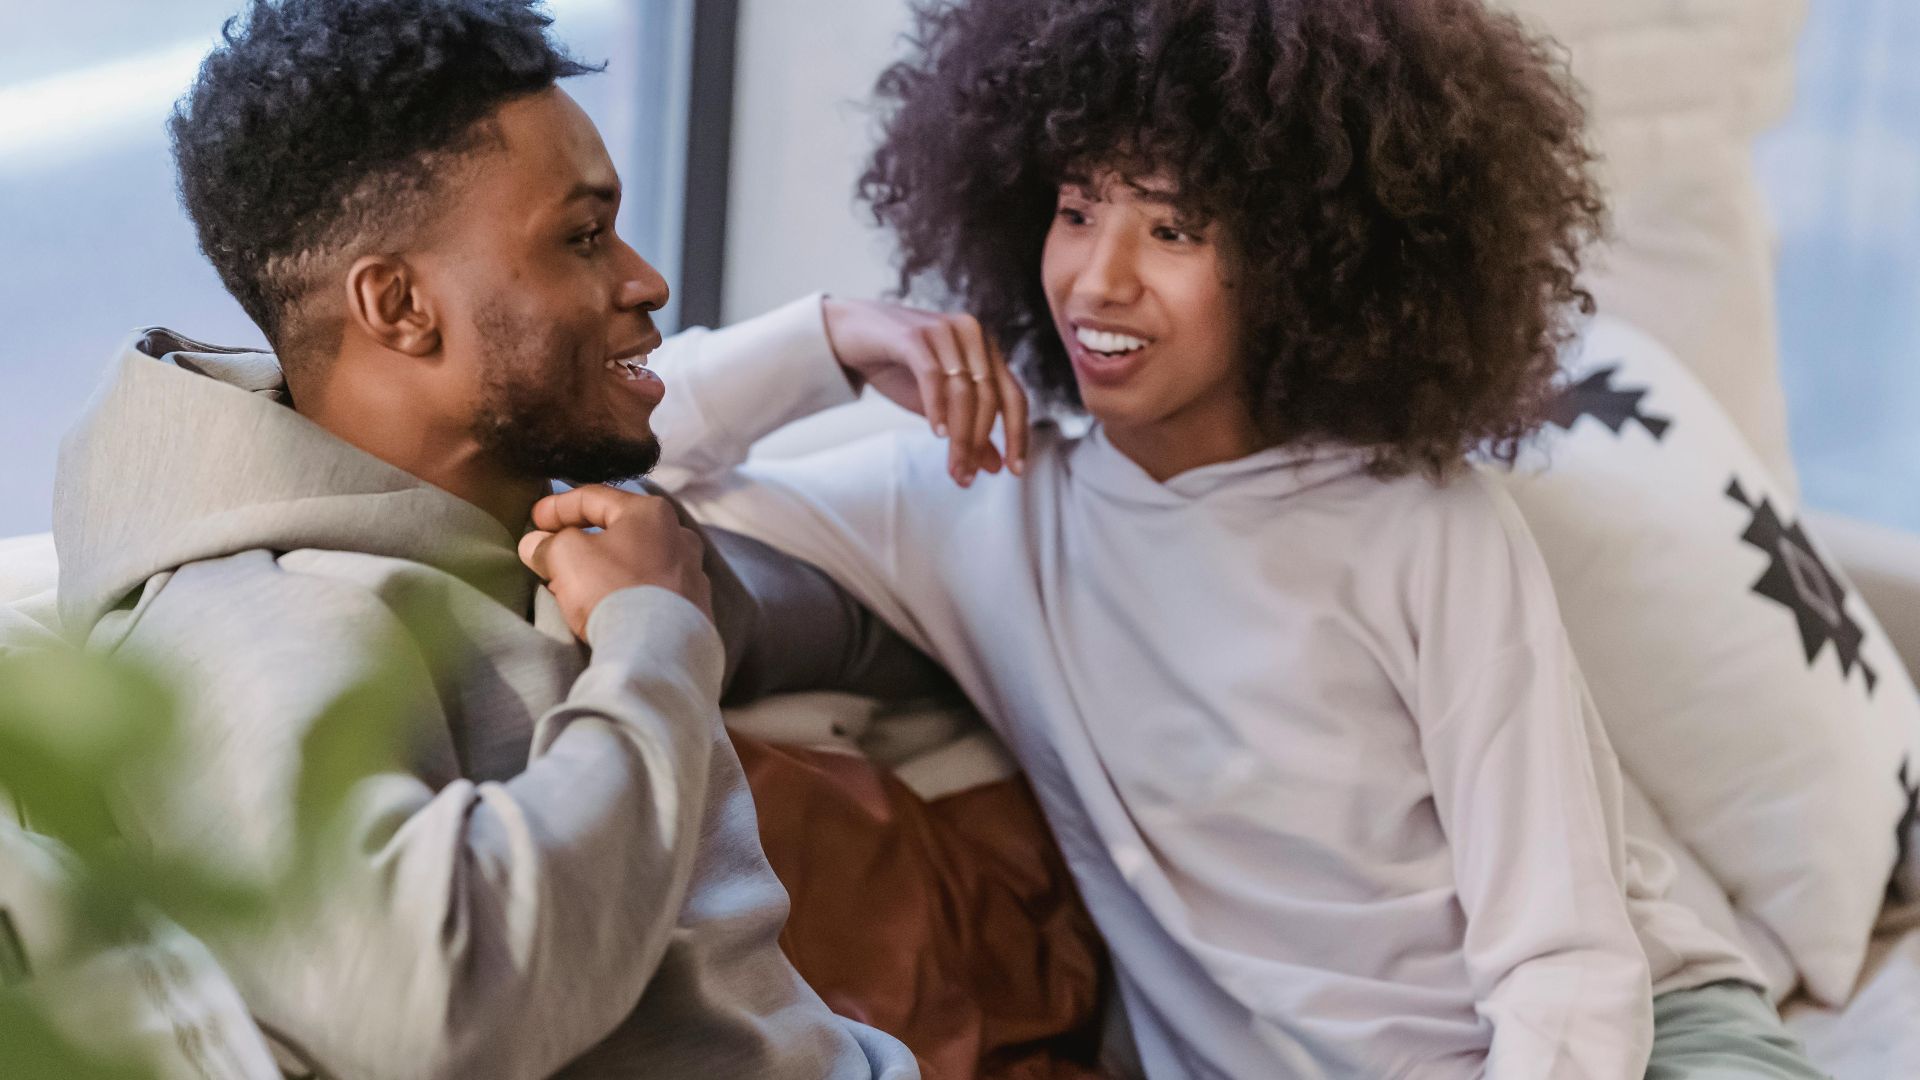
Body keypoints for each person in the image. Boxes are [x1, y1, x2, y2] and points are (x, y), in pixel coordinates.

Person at [644, 0, 1833, 1077]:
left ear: (1300, 257)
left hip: (1633, 1038)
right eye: (1075, 208)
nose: (1098, 279)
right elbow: (626, 453)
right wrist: (833, 337)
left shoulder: (1425, 529)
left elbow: (1565, 961)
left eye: (1175, 228)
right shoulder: (974, 494)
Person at [50, 1, 969, 1076]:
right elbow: (433, 1008)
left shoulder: (518, 518)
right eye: (582, 237)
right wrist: (653, 641)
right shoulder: (247, 628)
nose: (645, 280)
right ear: (398, 306)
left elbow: (818, 623)